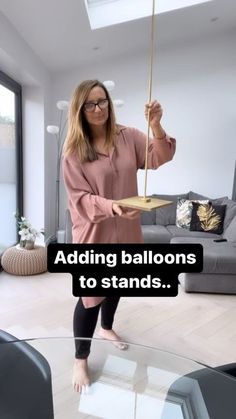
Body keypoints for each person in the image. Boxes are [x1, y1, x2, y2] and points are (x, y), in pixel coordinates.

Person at [62, 79, 176, 393]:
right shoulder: (73, 152)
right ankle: (80, 358)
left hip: (126, 230)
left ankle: (108, 327)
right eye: (90, 104)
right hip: (94, 231)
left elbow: (159, 157)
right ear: (80, 110)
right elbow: (79, 200)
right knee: (90, 296)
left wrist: (156, 126)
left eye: (103, 101)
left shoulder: (129, 136)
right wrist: (112, 207)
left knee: (118, 282)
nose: (98, 108)